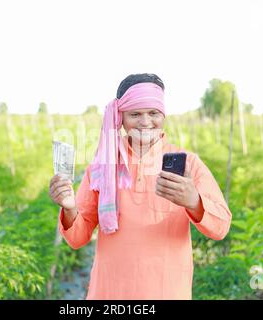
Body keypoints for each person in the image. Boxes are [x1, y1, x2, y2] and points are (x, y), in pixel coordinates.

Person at [49, 73, 232, 299]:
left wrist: (194, 202)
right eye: (135, 114)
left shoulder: (189, 164)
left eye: (153, 113)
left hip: (166, 292)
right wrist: (69, 209)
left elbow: (221, 227)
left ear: (163, 114)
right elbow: (77, 238)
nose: (145, 122)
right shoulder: (103, 167)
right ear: (120, 117)